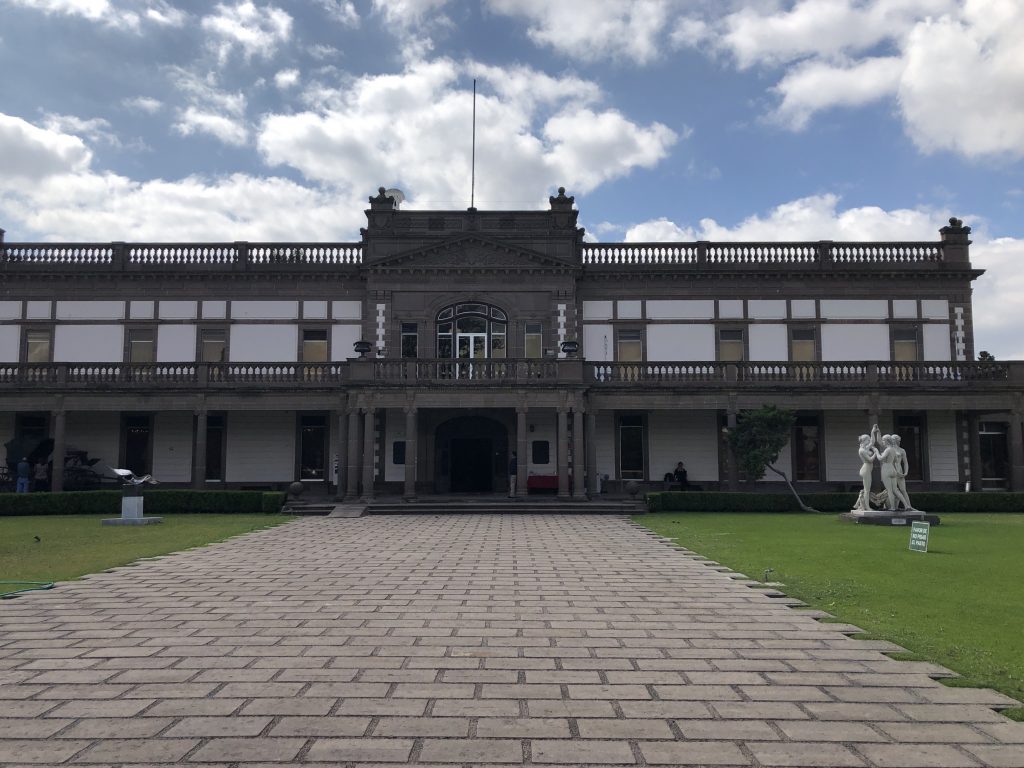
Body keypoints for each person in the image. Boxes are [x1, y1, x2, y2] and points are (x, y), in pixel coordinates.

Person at [856, 433, 877, 510]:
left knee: (866, 489)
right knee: (867, 490)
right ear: (865, 440)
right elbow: (870, 459)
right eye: (868, 439)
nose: (869, 441)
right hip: (866, 470)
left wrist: (873, 431)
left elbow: (873, 442)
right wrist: (875, 453)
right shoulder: (862, 450)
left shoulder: (866, 448)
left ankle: (861, 504)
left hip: (867, 469)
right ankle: (867, 507)